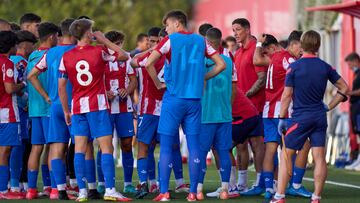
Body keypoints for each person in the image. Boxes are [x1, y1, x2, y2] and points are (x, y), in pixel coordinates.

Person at [145, 10, 225, 201]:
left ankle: (164, 192)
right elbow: (220, 64)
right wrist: (202, 77)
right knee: (194, 146)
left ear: (177, 23)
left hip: (173, 99)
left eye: (167, 25)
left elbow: (149, 63)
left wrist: (157, 83)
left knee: (165, 147)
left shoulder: (170, 40)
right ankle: (193, 193)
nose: (166, 29)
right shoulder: (201, 40)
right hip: (194, 101)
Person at [271, 30, 349, 203]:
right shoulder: (325, 66)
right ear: (318, 46)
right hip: (320, 117)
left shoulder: (294, 67)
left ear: (302, 44)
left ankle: (279, 196)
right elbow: (344, 88)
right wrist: (329, 106)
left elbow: (286, 95)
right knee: (320, 157)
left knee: (286, 154)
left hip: (300, 118)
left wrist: (282, 118)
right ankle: (316, 197)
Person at [58, 19, 131, 202]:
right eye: (92, 31)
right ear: (88, 33)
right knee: (106, 148)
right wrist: (104, 40)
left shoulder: (66, 56)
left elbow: (61, 86)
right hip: (97, 105)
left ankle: (82, 192)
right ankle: (110, 190)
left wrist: (67, 110)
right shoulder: (100, 51)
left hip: (77, 106)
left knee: (79, 150)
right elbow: (123, 56)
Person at [28, 18, 80, 200]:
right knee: (83, 147)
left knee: (56, 148)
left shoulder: (50, 53)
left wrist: (46, 96)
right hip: (75, 106)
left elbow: (32, 75)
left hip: (55, 105)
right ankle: (84, 188)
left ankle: (58, 190)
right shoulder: (77, 50)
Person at [253, 34, 295, 200]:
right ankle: (288, 186)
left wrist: (258, 43)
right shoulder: (285, 58)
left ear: (271, 47)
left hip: (267, 111)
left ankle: (270, 187)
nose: (266, 54)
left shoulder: (271, 61)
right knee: (288, 150)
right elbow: (297, 74)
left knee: (270, 150)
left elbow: (257, 59)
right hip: (282, 111)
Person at [196, 27, 236, 200]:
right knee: (224, 151)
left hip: (206, 114)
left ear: (210, 43)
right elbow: (234, 88)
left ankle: (197, 190)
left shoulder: (202, 61)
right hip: (225, 114)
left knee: (201, 153)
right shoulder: (229, 61)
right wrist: (228, 106)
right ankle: (225, 189)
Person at [231, 18, 266, 195]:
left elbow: (262, 79)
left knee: (257, 144)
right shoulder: (237, 53)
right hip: (240, 110)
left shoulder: (256, 50)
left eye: (238, 29)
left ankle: (261, 183)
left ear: (247, 29)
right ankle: (242, 183)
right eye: (233, 30)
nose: (235, 33)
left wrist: (246, 95)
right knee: (240, 145)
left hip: (256, 105)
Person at [26, 22, 59, 200]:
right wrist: (47, 96)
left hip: (34, 109)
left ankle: (32, 189)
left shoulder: (32, 55)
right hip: (48, 107)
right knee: (54, 146)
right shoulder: (51, 55)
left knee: (36, 148)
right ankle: (55, 188)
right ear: (52, 36)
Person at [104, 30, 138, 193]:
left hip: (124, 107)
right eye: (116, 44)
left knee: (126, 144)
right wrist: (105, 92)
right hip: (106, 107)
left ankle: (128, 183)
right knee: (105, 145)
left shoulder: (127, 59)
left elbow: (133, 80)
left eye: (120, 44)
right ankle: (102, 183)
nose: (119, 47)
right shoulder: (101, 58)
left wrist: (128, 89)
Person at [8, 30, 37, 198]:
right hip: (18, 110)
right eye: (32, 44)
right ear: (24, 44)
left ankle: (15, 184)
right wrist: (26, 100)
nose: (32, 48)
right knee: (18, 146)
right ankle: (15, 185)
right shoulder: (20, 62)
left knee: (14, 147)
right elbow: (16, 85)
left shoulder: (10, 59)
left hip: (12, 109)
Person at [0, 31, 26, 199]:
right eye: (16, 44)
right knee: (5, 151)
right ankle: (3, 190)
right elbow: (10, 89)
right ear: (10, 46)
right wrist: (22, 83)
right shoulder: (7, 63)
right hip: (7, 112)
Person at [345, 52, 360, 171]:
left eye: (350, 64)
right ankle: (358, 159)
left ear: (355, 61)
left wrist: (348, 93)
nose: (349, 67)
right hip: (355, 106)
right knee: (358, 134)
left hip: (359, 106)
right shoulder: (356, 74)